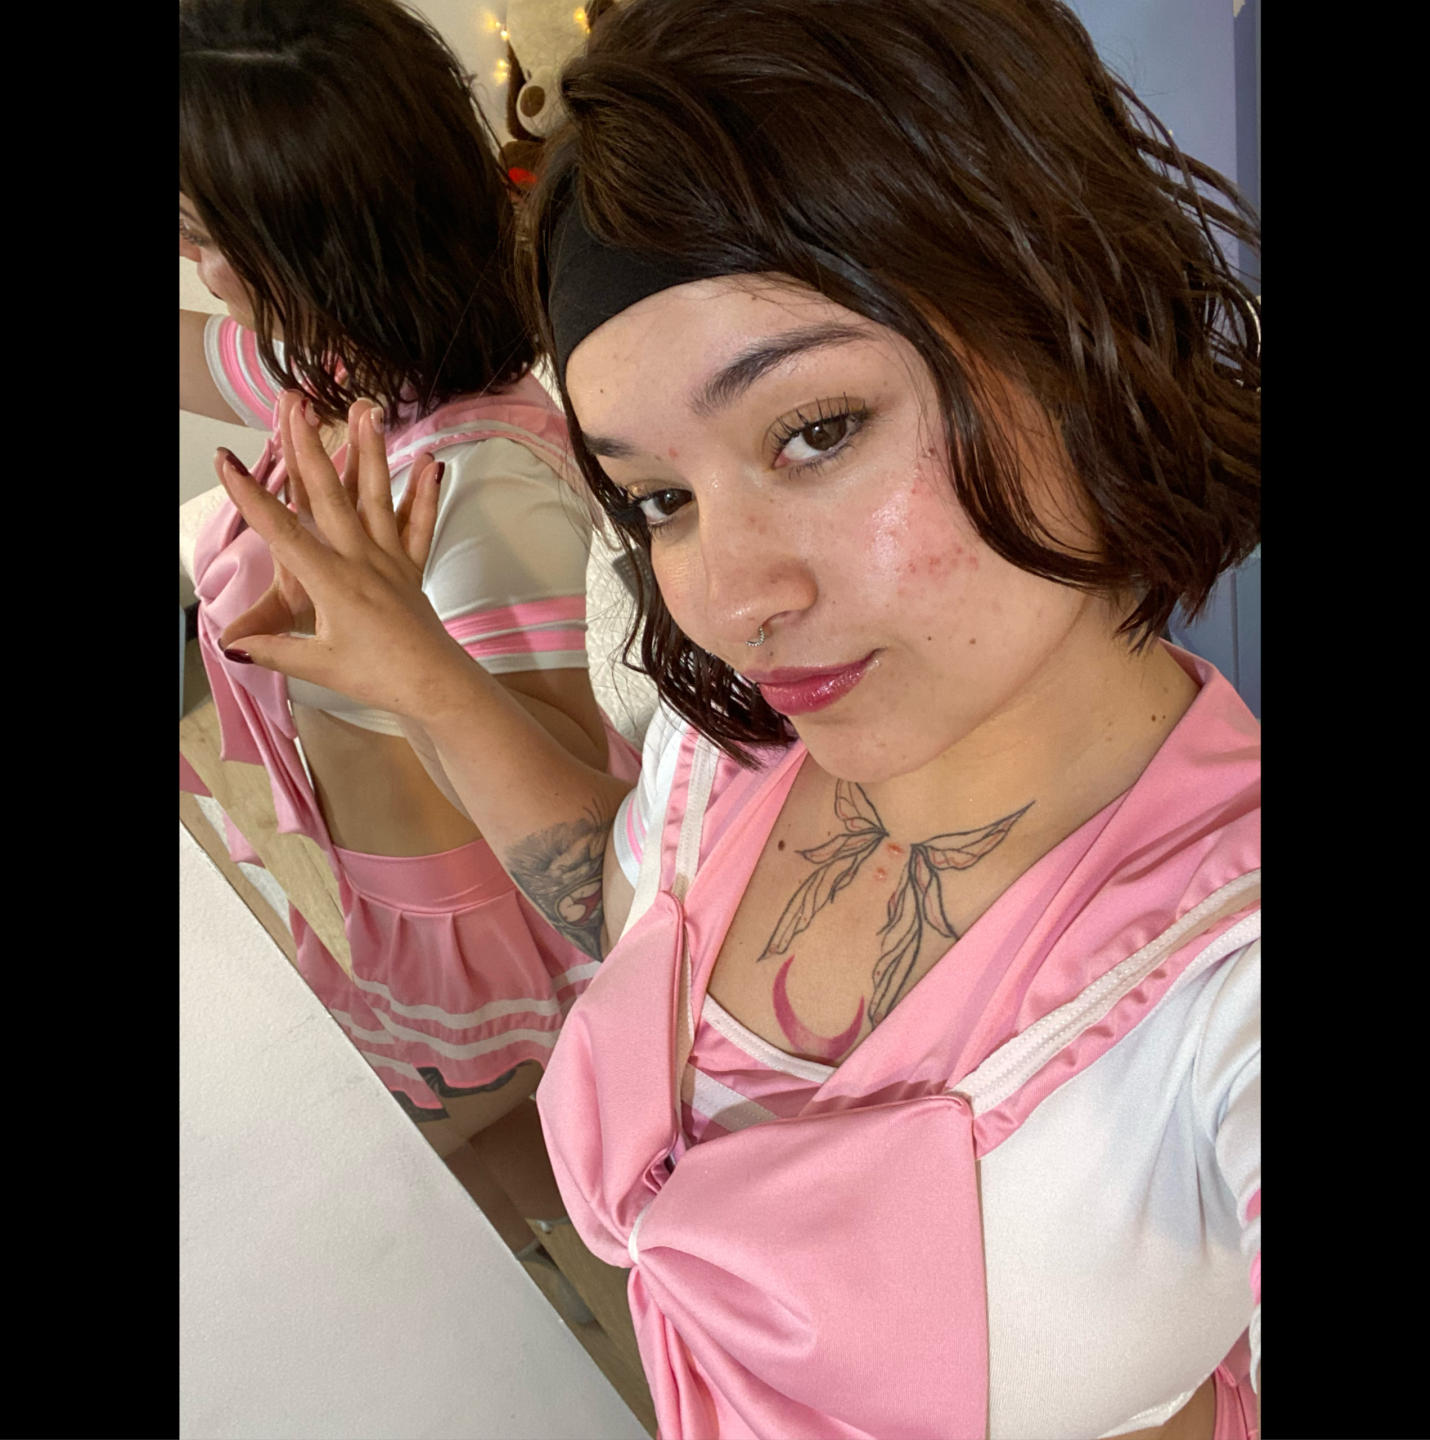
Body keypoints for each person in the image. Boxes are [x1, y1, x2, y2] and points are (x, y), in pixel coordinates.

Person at [213, 0, 1261, 1434]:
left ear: (1075, 324)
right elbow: (635, 907)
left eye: (817, 430)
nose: (727, 597)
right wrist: (416, 671)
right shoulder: (729, 757)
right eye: (663, 499)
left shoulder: (1225, 981)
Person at [179, 0, 641, 1253]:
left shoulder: (479, 499)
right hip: (390, 918)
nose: (196, 267)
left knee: (413, 1206)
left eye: (203, 237)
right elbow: (195, 354)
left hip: (480, 966)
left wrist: (408, 658)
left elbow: (592, 840)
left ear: (302, 243)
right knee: (483, 1195)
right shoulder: (341, 370)